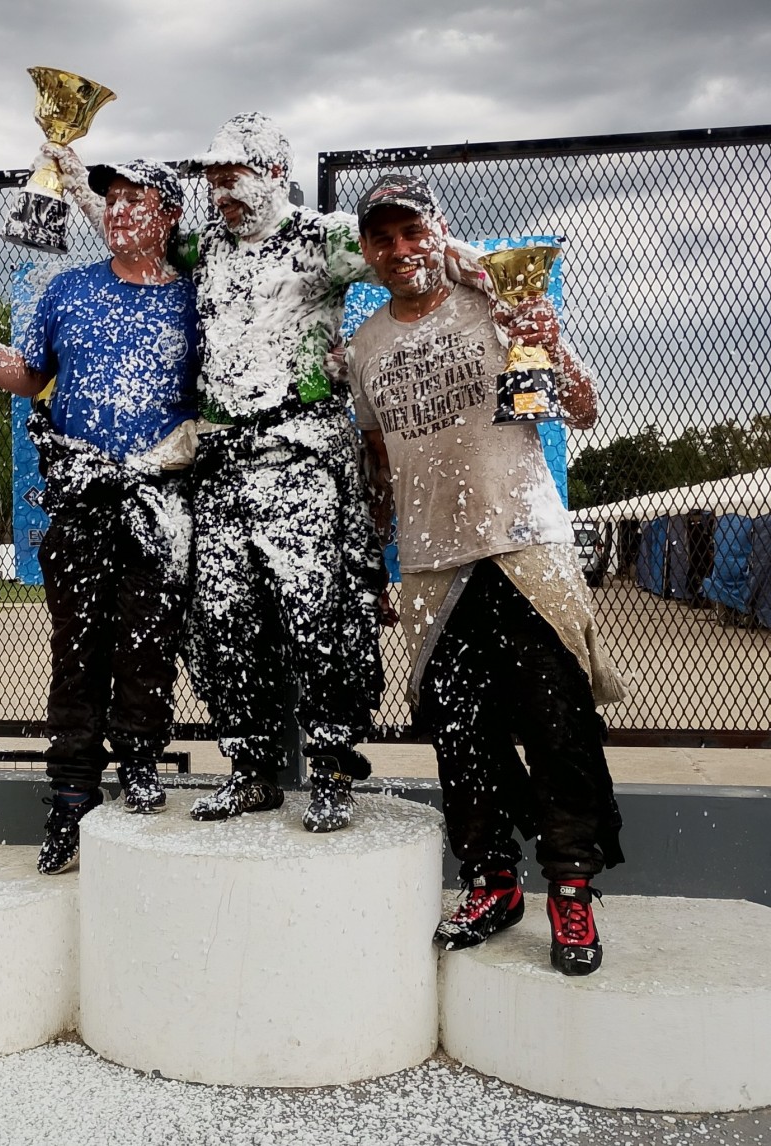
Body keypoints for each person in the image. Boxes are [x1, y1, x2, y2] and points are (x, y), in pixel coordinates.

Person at [46, 113, 484, 834]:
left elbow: (419, 254)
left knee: (318, 618)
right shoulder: (206, 244)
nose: (223, 193)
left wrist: (508, 283)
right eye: (214, 180)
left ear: (275, 173)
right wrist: (74, 177)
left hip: (301, 455)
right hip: (221, 461)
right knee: (222, 619)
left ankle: (334, 769)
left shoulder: (323, 237)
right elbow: (141, 232)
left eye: (234, 177)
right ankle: (249, 768)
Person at [347, 171, 626, 975]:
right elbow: (376, 456)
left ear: (438, 230)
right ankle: (492, 879)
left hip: (523, 544)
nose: (401, 250)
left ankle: (571, 891)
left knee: (557, 723)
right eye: (384, 238)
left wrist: (546, 333)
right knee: (462, 733)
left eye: (413, 232)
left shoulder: (495, 305)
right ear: (367, 251)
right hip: (434, 561)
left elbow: (583, 408)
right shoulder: (367, 346)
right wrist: (377, 546)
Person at [0, 159, 199, 874]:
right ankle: (69, 797)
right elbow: (29, 375)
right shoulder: (68, 290)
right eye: (113, 200)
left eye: (137, 200)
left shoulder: (194, 301)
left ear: (170, 218)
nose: (121, 211)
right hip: (80, 499)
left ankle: (141, 769)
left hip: (160, 501)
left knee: (148, 645)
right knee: (78, 651)